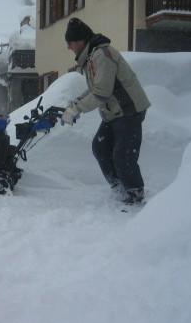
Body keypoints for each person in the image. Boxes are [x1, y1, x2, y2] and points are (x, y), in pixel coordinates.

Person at [61, 18, 151, 205]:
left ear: (80, 41)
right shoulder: (91, 57)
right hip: (114, 113)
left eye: (70, 43)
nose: (69, 48)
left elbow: (102, 92)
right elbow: (96, 88)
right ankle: (119, 188)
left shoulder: (101, 55)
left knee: (122, 155)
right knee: (100, 147)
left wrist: (77, 109)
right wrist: (75, 103)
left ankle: (135, 193)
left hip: (129, 110)